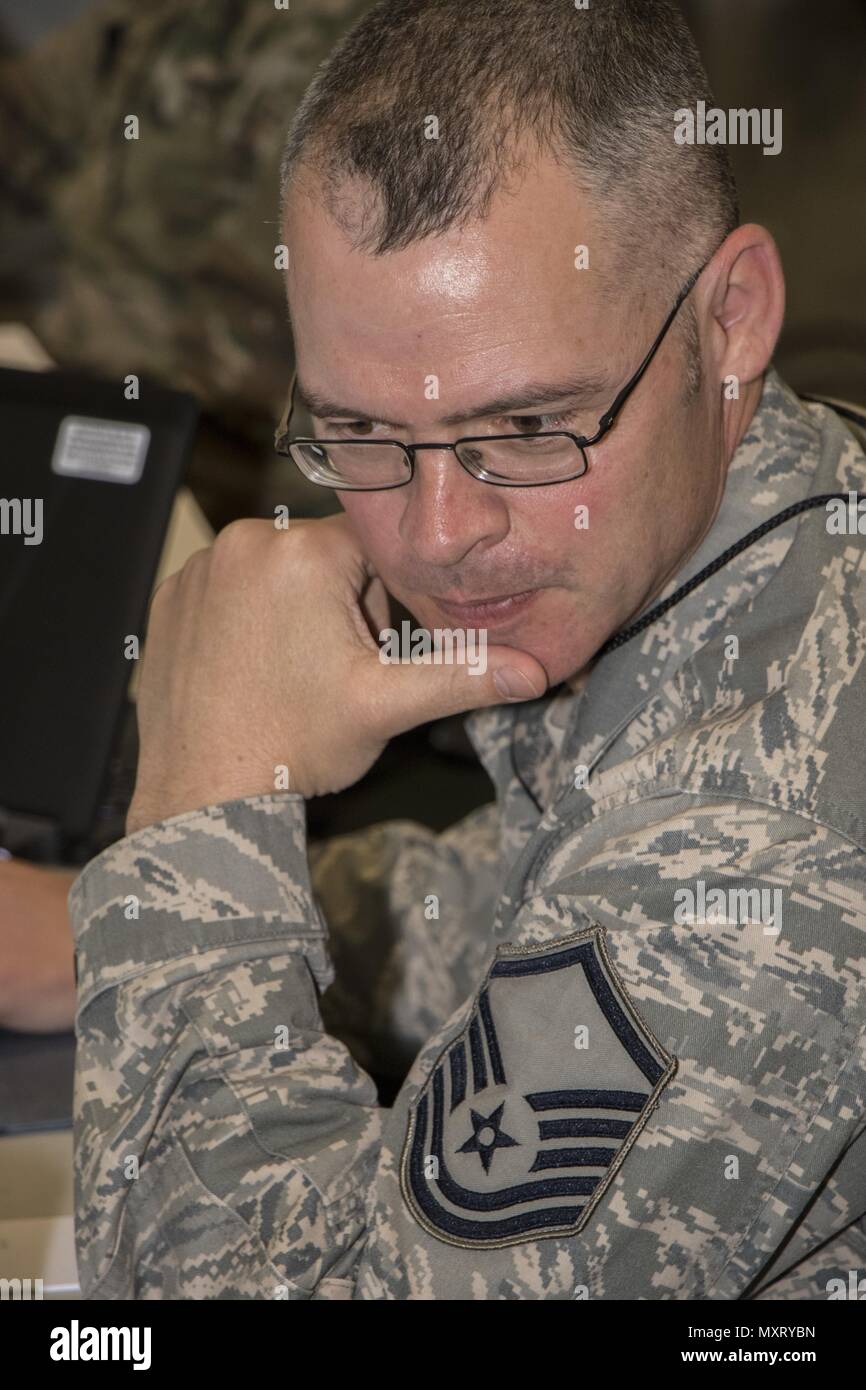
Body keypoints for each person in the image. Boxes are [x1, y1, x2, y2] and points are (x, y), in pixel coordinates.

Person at [69, 0, 866, 1299]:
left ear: (729, 319)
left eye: (530, 425)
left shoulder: (768, 839)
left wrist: (195, 825)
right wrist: (223, 914)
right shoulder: (754, 513)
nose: (443, 536)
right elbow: (551, 887)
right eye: (361, 434)